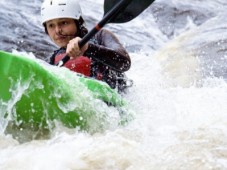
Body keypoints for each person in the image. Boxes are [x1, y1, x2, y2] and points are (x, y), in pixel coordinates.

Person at [40, 0, 132, 92]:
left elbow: (125, 64)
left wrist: (88, 48)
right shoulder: (54, 59)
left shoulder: (100, 36)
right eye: (51, 25)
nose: (57, 30)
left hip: (116, 101)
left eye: (64, 23)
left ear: (78, 22)